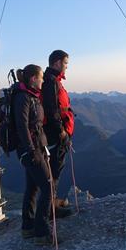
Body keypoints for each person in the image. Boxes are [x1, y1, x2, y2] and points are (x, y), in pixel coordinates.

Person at [13, 64, 54, 246]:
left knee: (32, 188)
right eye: (41, 77)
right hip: (31, 150)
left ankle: (27, 227)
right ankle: (41, 233)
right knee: (48, 187)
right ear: (32, 79)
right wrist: (31, 151)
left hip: (36, 147)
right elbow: (22, 126)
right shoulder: (23, 98)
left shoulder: (30, 96)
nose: (43, 80)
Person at [42, 50, 75, 211]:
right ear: (57, 63)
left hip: (56, 132)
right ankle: (50, 209)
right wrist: (61, 131)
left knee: (56, 168)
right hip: (55, 134)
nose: (67, 67)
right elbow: (51, 109)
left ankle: (51, 204)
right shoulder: (50, 81)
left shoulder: (53, 80)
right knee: (54, 169)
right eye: (65, 63)